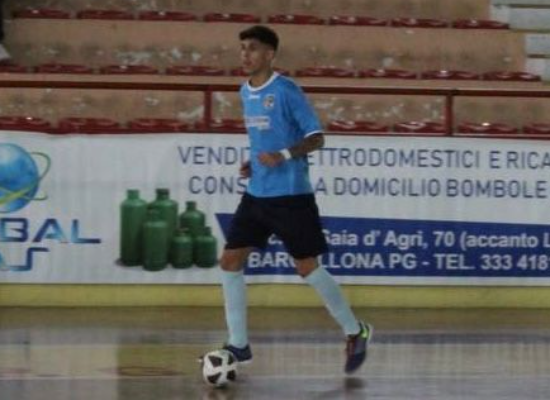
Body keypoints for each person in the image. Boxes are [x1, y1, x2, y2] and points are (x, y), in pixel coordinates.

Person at [205, 25, 373, 374]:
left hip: (291, 197)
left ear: (270, 54)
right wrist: (253, 163)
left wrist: (282, 155)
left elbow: (316, 138)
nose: (245, 54)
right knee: (230, 261)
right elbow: (262, 138)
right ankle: (239, 344)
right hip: (256, 194)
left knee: (307, 267)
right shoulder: (244, 91)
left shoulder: (286, 91)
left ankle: (355, 331)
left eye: (252, 48)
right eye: (242, 48)